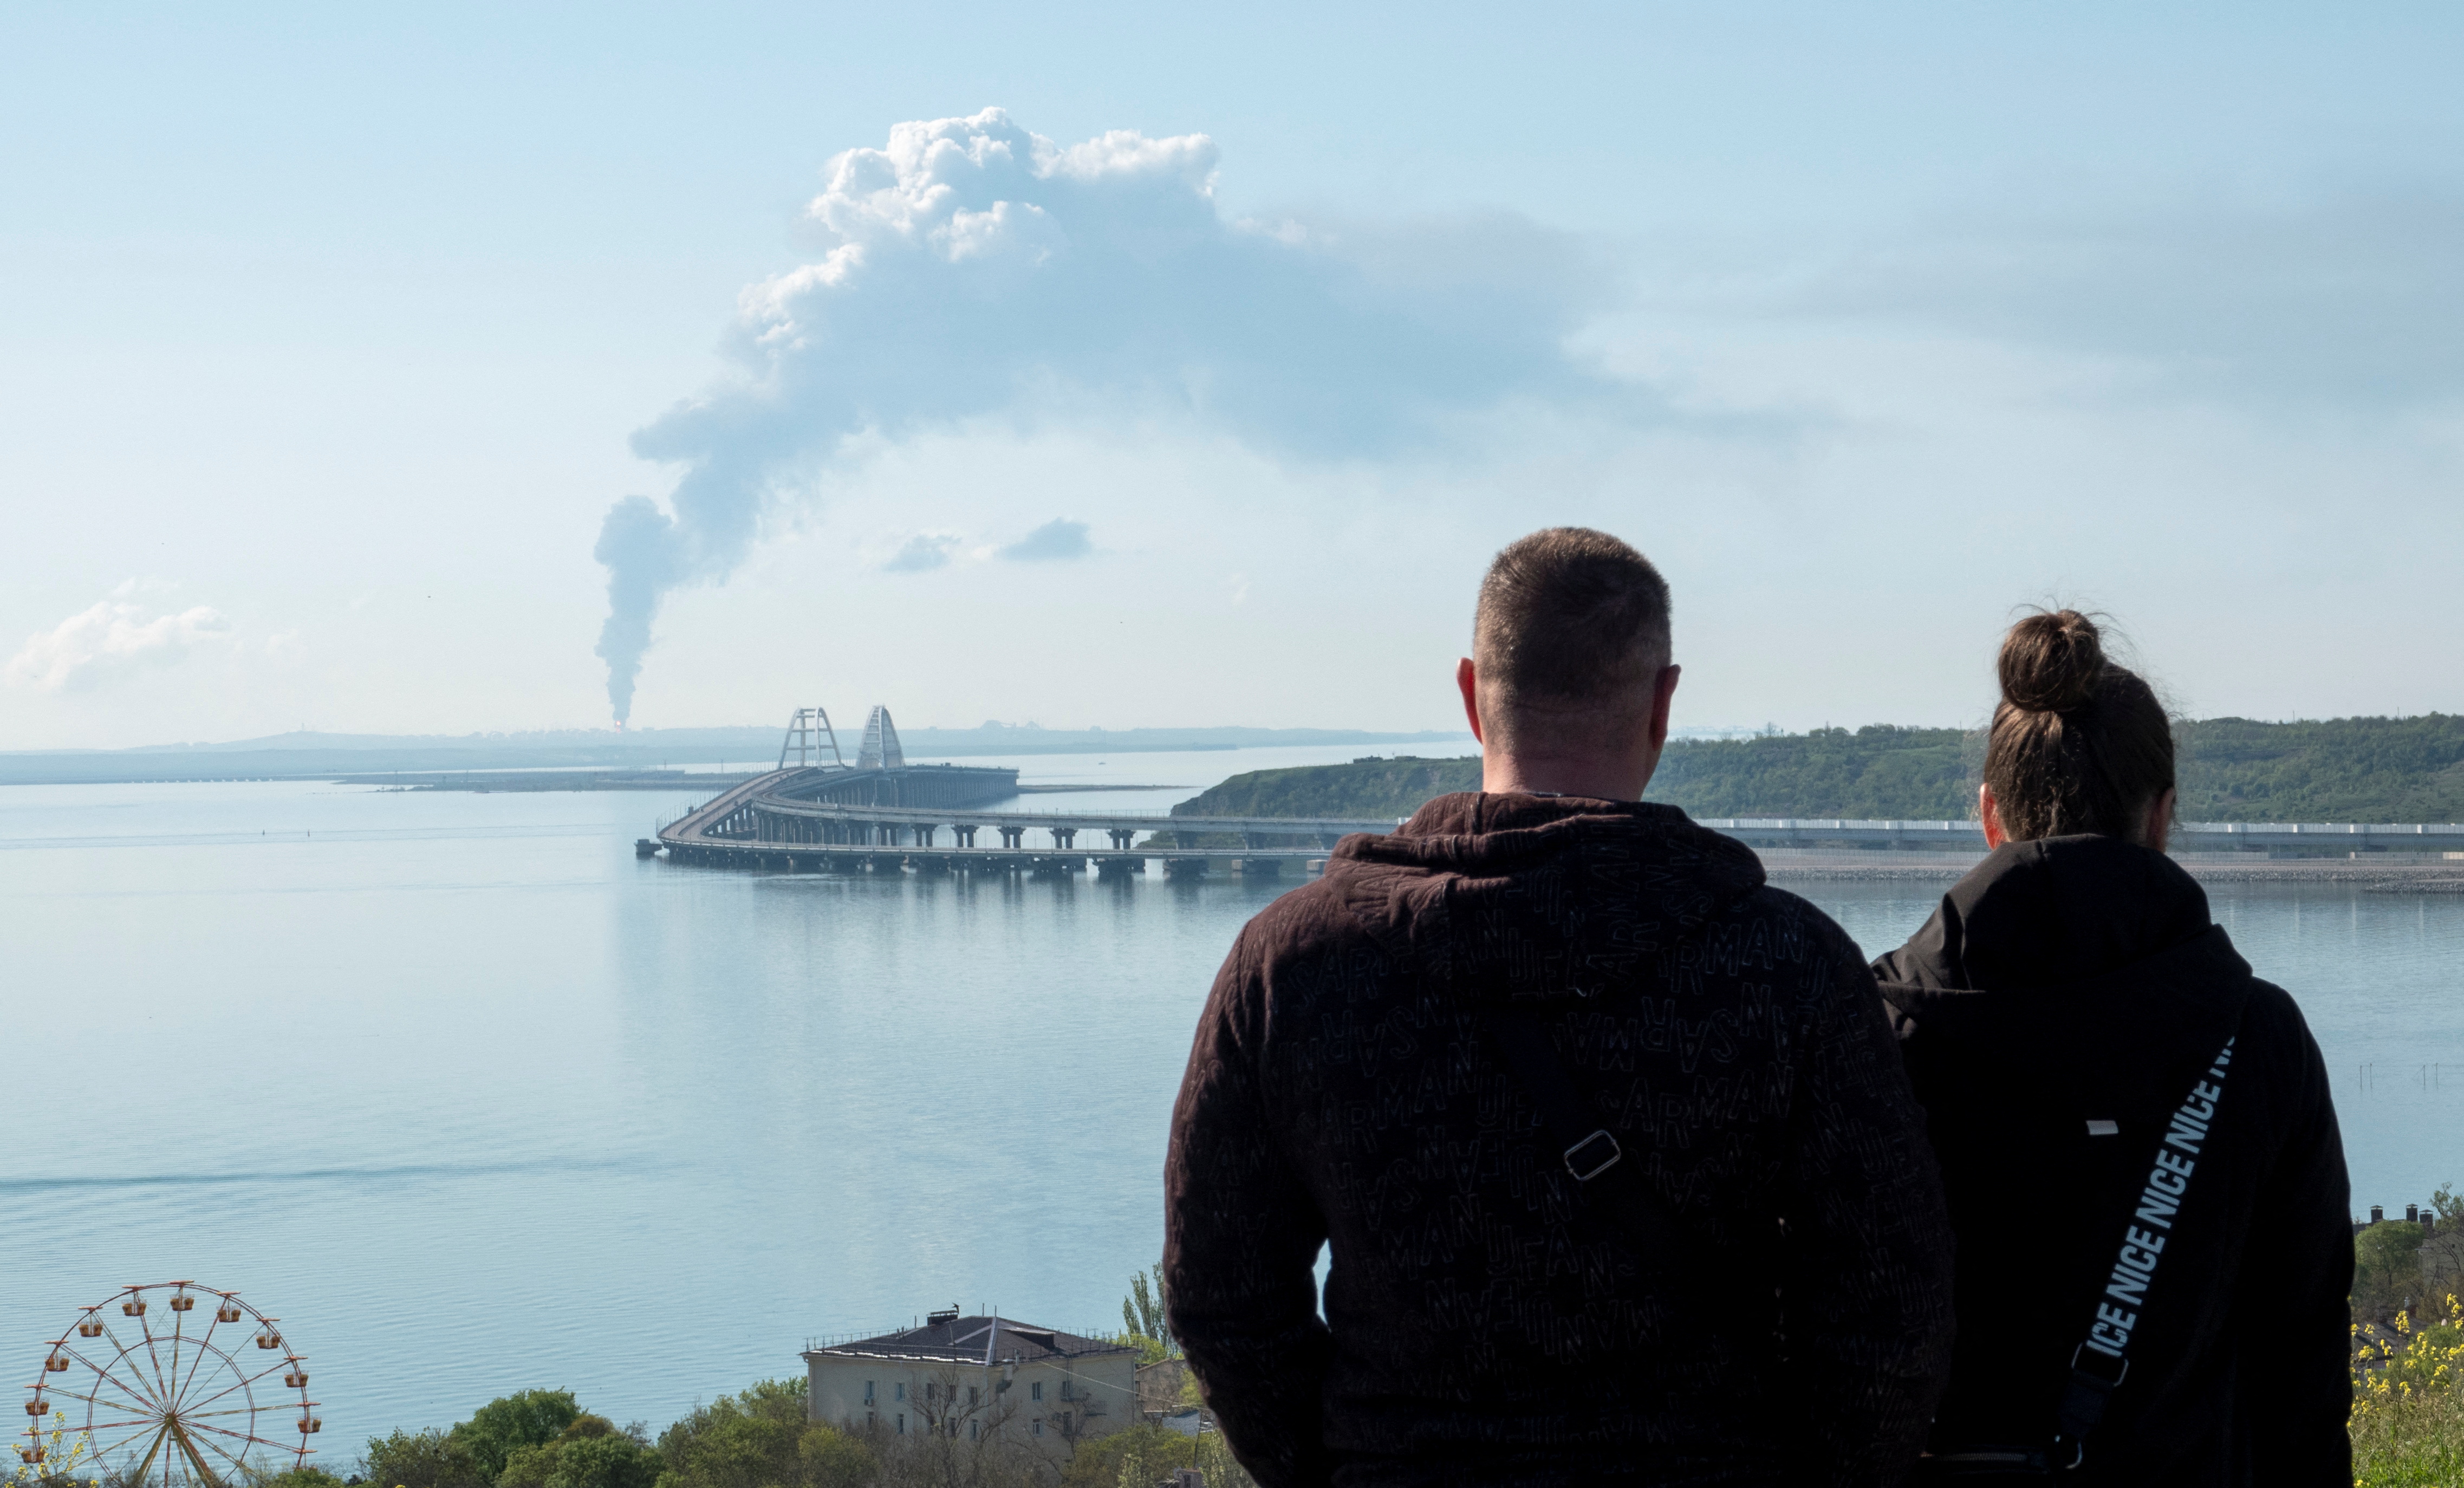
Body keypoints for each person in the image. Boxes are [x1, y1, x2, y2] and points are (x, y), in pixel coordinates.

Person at [1163, 527, 1955, 1487]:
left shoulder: (1291, 964)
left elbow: (1220, 1296)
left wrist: (1335, 1471)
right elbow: (1889, 1307)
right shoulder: (1785, 965)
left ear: (1469, 693)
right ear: (1663, 704)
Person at [1870, 610, 2352, 1483]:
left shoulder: (1876, 1032)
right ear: (2162, 816)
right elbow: (2303, 1361)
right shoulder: (2258, 1038)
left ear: (1988, 816)